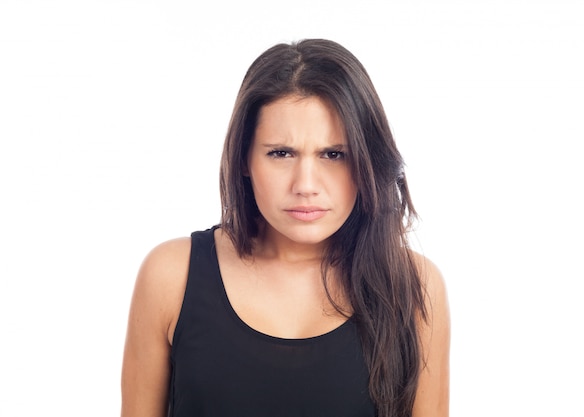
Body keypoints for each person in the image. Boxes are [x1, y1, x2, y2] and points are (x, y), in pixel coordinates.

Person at [121, 39, 450, 417]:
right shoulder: (171, 276)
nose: (305, 184)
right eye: (281, 153)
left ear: (367, 160)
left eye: (333, 154)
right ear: (244, 159)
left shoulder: (414, 287)